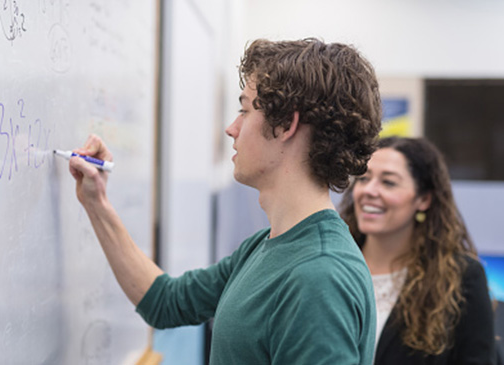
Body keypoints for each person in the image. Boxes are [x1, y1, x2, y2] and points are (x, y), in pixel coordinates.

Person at [67, 38, 382, 364]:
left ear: (287, 125)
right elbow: (165, 302)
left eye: (245, 110)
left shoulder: (319, 277)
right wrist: (96, 202)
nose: (232, 128)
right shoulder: (267, 245)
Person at [338, 136, 496, 364]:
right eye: (363, 178)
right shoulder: (333, 265)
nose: (369, 191)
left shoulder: (461, 278)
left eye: (388, 182)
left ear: (423, 199)